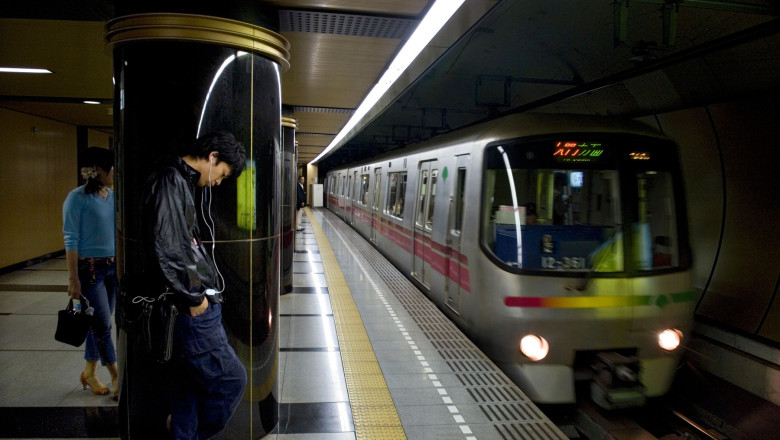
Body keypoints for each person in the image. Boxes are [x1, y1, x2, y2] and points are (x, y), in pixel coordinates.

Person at [127, 131, 248, 439]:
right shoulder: (170, 182)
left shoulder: (178, 181)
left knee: (188, 386)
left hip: (188, 305)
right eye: (221, 174)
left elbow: (181, 245)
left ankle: (183, 433)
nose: (218, 182)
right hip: (189, 309)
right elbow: (168, 249)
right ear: (213, 157)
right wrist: (196, 298)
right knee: (231, 381)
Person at [62, 147, 119, 400]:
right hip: (90, 271)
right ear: (97, 170)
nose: (115, 171)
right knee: (103, 326)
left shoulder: (113, 196)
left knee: (98, 324)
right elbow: (71, 239)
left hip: (112, 269)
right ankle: (117, 376)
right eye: (110, 166)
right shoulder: (76, 198)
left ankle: (89, 372)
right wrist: (73, 279)